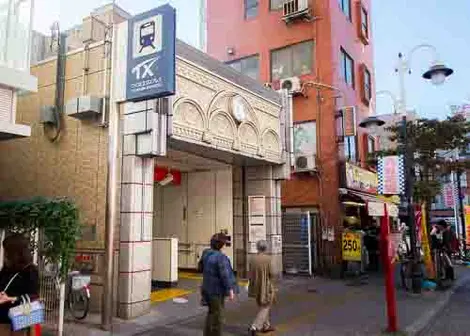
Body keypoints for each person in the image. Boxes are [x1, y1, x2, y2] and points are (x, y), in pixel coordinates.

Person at [0, 234, 39, 335]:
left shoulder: (30, 270)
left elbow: (33, 296)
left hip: (20, 319)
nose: (4, 254)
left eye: (6, 251)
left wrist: (11, 299)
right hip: (2, 319)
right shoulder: (6, 269)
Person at [200, 233, 236, 336]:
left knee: (211, 313)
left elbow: (200, 268)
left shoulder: (206, 253)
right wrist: (230, 290)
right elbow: (224, 275)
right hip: (216, 291)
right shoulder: (221, 257)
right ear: (221, 245)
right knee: (218, 317)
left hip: (206, 288)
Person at [248, 240, 276, 335]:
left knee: (261, 304)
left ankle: (266, 326)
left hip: (255, 285)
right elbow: (272, 273)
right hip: (266, 285)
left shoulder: (252, 259)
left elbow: (250, 272)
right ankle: (255, 326)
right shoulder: (268, 259)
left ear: (257, 247)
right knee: (266, 306)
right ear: (266, 248)